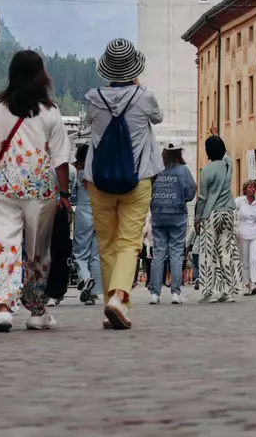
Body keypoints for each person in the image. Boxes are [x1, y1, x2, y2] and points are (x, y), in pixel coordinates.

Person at [0, 49, 74, 332]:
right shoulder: (50, 111)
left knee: (0, 245)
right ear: (41, 76)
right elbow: (60, 160)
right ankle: (36, 310)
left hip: (1, 187)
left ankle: (2, 308)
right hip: (40, 189)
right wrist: (65, 195)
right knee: (37, 250)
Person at [82, 39, 164, 330]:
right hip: (137, 179)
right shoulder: (145, 97)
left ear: (107, 69)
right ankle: (118, 298)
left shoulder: (93, 97)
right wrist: (137, 87)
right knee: (130, 242)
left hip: (99, 181)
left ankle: (111, 303)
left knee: (106, 244)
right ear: (134, 68)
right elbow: (158, 117)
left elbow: (90, 123)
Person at [149, 140, 196, 303]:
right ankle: (175, 293)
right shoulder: (183, 170)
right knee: (176, 253)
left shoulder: (156, 170)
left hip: (158, 214)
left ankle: (155, 293)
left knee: (158, 253)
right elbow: (191, 192)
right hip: (177, 215)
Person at [195, 135, 241, 303]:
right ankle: (228, 291)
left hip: (211, 213)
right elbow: (227, 155)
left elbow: (202, 197)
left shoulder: (206, 170)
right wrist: (218, 135)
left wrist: (197, 218)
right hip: (229, 211)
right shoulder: (228, 165)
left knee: (209, 253)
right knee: (227, 251)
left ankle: (209, 292)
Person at [70, 145, 100, 304]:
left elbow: (72, 195)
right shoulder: (98, 171)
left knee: (80, 252)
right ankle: (93, 292)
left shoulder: (77, 172)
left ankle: (86, 278)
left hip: (83, 211)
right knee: (95, 254)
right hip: (100, 211)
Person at [235, 180, 256, 296]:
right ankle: (245, 283)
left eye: (254, 187)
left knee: (254, 258)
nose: (252, 189)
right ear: (245, 189)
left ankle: (254, 283)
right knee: (244, 261)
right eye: (250, 187)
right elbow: (232, 212)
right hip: (242, 233)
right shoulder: (239, 201)